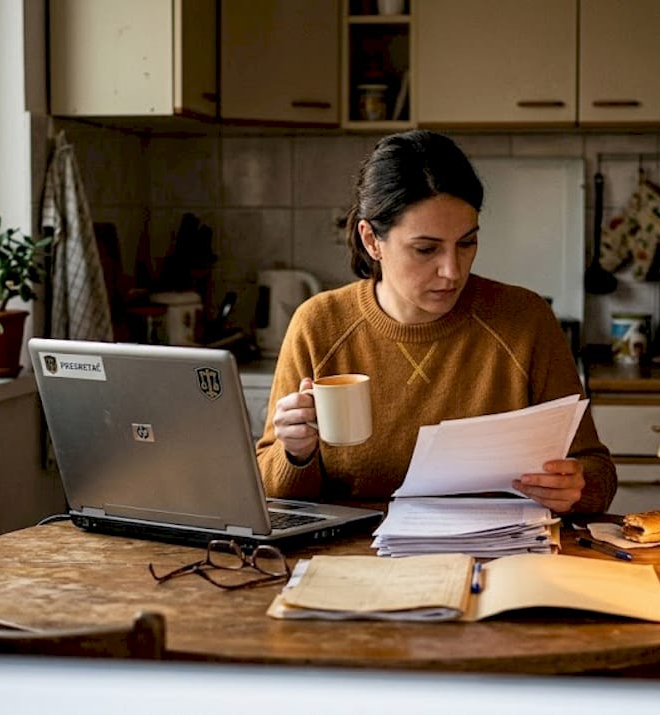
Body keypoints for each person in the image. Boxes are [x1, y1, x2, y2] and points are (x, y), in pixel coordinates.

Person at [255, 130, 617, 514]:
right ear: (371, 240)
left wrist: (575, 487)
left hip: (498, 547)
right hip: (354, 550)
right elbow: (271, 491)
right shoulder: (318, 325)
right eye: (426, 249)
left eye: (466, 243)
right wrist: (295, 453)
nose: (452, 271)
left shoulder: (525, 320)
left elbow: (597, 472)